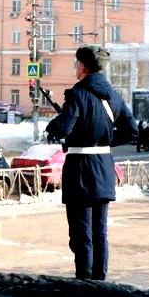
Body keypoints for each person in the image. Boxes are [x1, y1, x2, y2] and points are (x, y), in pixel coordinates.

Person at [44, 45, 137, 280]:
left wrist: (53, 126)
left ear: (83, 67)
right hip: (104, 168)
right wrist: (102, 141)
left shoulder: (77, 94)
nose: (75, 68)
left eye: (77, 64)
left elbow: (63, 127)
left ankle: (84, 282)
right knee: (100, 232)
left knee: (81, 232)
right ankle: (99, 281)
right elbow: (132, 132)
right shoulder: (114, 96)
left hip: (80, 171)